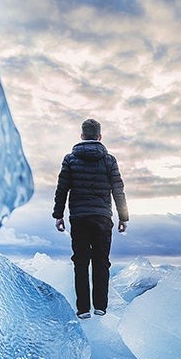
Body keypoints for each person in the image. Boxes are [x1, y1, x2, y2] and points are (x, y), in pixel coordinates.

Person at [53, 118, 129, 318]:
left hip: (79, 217)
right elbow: (118, 190)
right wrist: (123, 217)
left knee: (80, 262)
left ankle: (83, 309)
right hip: (103, 218)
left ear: (82, 136)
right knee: (101, 262)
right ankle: (100, 307)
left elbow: (62, 189)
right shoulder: (109, 160)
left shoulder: (70, 159)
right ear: (100, 136)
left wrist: (58, 215)